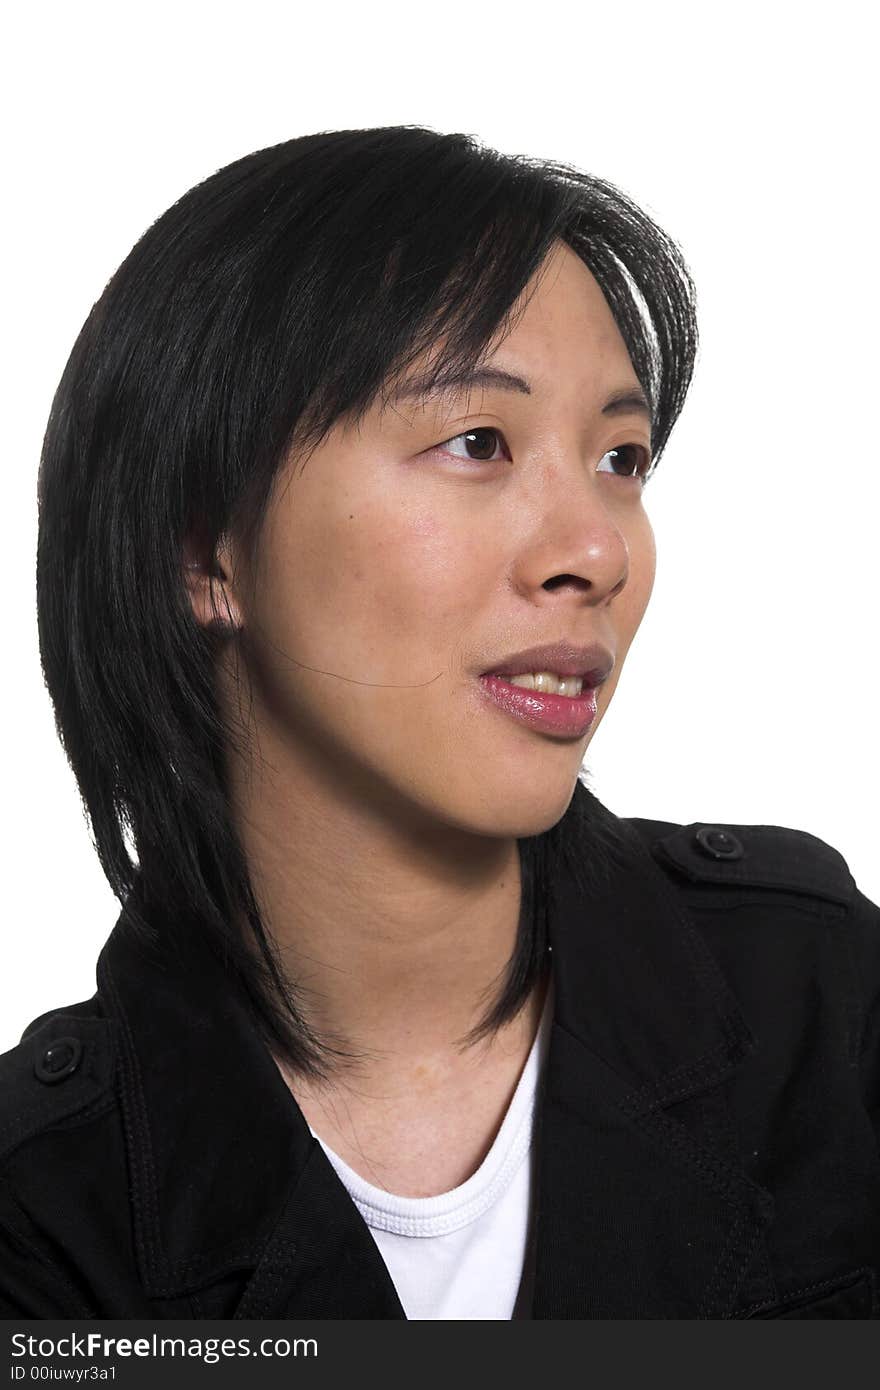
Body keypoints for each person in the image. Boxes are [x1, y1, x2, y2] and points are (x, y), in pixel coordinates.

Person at [2, 126, 878, 1321]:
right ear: (209, 552)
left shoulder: (820, 1002)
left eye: (620, 456)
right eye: (477, 442)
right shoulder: (44, 1217)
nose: (596, 549)